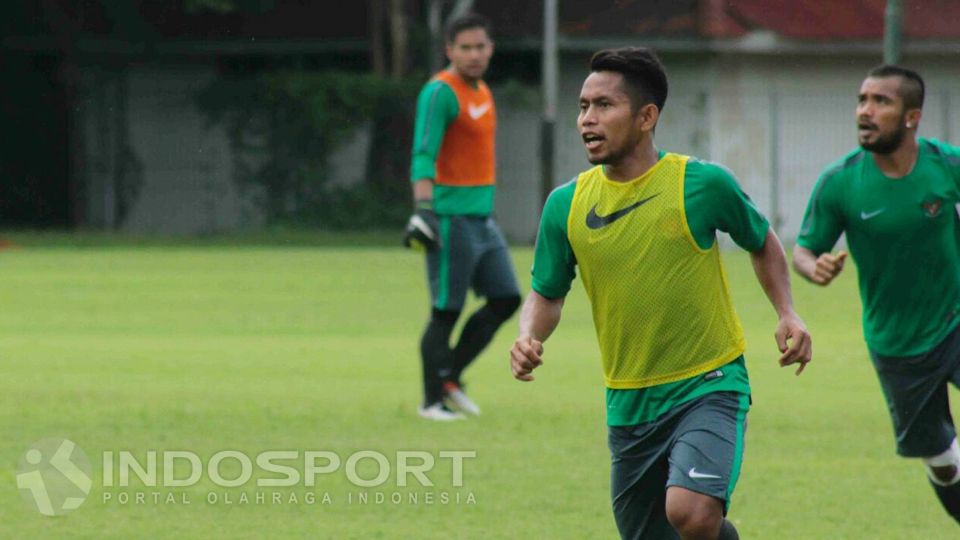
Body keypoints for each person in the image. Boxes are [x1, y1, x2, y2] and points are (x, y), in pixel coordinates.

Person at [510, 47, 812, 540]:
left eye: (604, 106)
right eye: (583, 106)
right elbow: (547, 292)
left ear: (647, 116)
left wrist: (788, 313)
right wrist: (528, 336)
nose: (587, 119)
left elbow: (761, 241)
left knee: (691, 513)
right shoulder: (565, 205)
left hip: (708, 383)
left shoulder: (701, 184)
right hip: (628, 402)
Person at [793, 64, 960, 525]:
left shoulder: (946, 165)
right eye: (862, 100)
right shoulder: (841, 182)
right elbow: (803, 251)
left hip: (955, 318)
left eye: (880, 101)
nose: (864, 111)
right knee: (943, 464)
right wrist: (815, 267)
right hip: (896, 344)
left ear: (912, 116)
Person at [403, 13, 521, 421]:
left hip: (482, 220)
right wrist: (424, 211)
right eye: (465, 48)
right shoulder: (439, 92)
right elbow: (423, 153)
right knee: (446, 310)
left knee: (506, 298)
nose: (474, 55)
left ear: (490, 49)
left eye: (481, 46)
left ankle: (449, 377)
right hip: (450, 219)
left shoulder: (483, 90)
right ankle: (431, 401)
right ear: (449, 50)